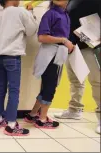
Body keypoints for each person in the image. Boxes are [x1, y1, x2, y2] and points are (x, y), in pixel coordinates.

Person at [0, 0, 38, 136]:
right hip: (13, 57)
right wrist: (31, 13)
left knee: (2, 88)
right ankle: (11, 125)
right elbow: (32, 30)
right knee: (14, 90)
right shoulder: (21, 11)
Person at [24, 0, 74, 129]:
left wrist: (67, 43)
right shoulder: (51, 14)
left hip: (57, 54)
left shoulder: (65, 14)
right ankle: (42, 119)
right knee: (50, 87)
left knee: (47, 86)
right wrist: (63, 40)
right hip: (50, 55)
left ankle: (32, 114)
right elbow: (42, 37)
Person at [53, 0, 100, 134]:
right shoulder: (71, 1)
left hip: (91, 46)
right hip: (73, 46)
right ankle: (75, 110)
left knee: (96, 81)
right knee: (75, 79)